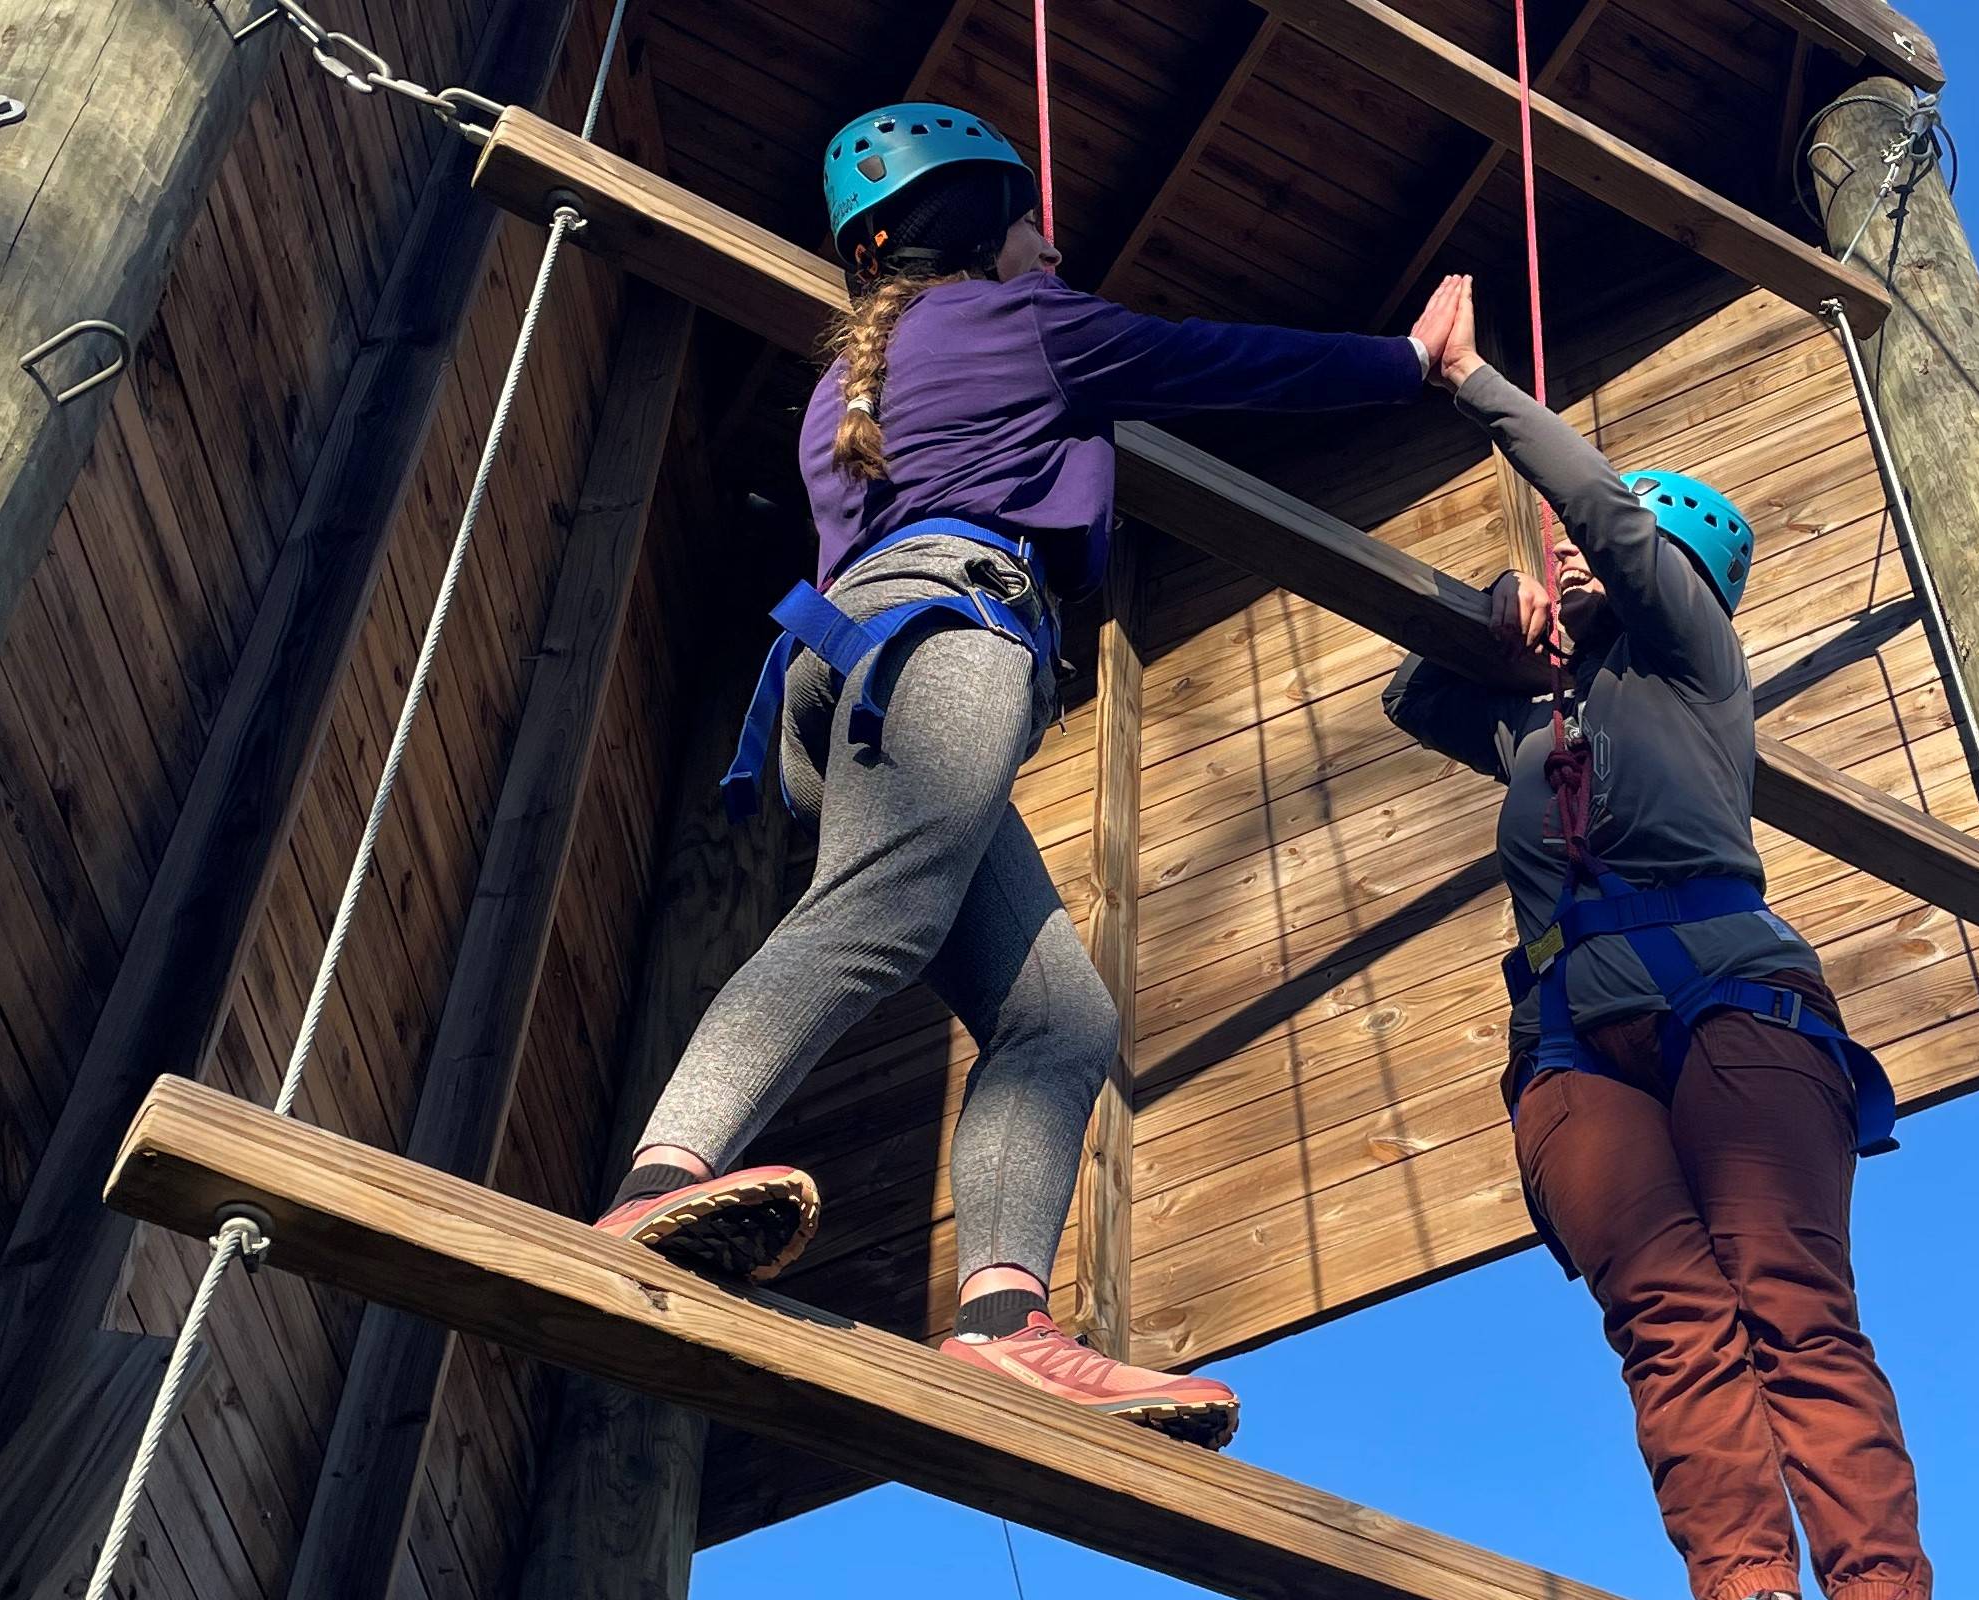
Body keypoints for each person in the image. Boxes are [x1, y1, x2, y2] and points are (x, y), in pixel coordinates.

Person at [593, 102, 1462, 1450]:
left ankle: (1005, 1322)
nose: (1055, 250)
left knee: (1058, 1018)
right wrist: (1413, 360)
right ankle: (666, 1171)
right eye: (1033, 230)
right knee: (872, 919)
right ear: (988, 231)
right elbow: (1220, 360)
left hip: (840, 679)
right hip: (951, 640)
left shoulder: (847, 386)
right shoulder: (1024, 325)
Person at [1378, 280, 1945, 1600]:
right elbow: (1413, 694)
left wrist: (1479, 387)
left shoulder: (1696, 663)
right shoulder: (1540, 717)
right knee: (1668, 1318)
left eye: (1600, 557)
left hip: (1734, 1003)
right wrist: (1492, 616)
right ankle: (1751, 1594)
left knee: (1791, 1298)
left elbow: (1616, 527)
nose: (1579, 563)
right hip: (1572, 1032)